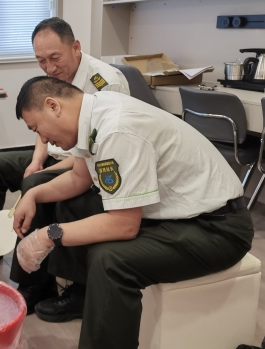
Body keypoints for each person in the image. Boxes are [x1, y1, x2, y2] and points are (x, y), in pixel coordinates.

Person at [13, 76, 253, 348]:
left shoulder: (116, 128)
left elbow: (124, 225)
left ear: (53, 105)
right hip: (181, 214)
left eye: (37, 129)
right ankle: (84, 295)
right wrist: (32, 194)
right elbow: (80, 178)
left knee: (110, 261)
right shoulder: (92, 112)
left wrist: (48, 235)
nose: (43, 139)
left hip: (218, 228)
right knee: (76, 204)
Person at [0, 17, 129, 311]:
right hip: (56, 153)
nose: (49, 68)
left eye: (55, 58)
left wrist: (43, 172)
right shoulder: (55, 77)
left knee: (35, 183)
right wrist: (36, 160)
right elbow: (42, 124)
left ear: (75, 47)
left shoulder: (105, 82)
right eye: (41, 60)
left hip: (84, 163)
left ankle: (35, 282)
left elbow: (95, 155)